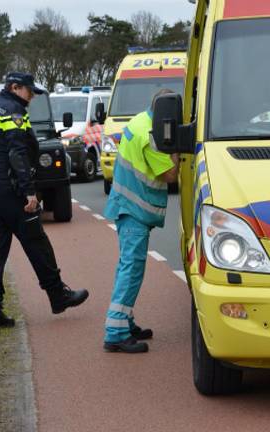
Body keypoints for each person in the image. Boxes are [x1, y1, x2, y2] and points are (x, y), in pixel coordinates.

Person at [0, 72, 89, 329]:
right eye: (28, 91)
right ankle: (58, 296)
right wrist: (29, 192)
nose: (32, 97)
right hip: (11, 190)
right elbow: (17, 153)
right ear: (15, 87)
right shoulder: (13, 111)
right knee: (37, 243)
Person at [102, 89, 180, 353]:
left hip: (126, 206)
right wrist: (176, 148)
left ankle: (126, 322)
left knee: (127, 267)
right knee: (131, 270)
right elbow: (170, 174)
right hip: (134, 209)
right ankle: (115, 333)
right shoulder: (153, 136)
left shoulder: (139, 120)